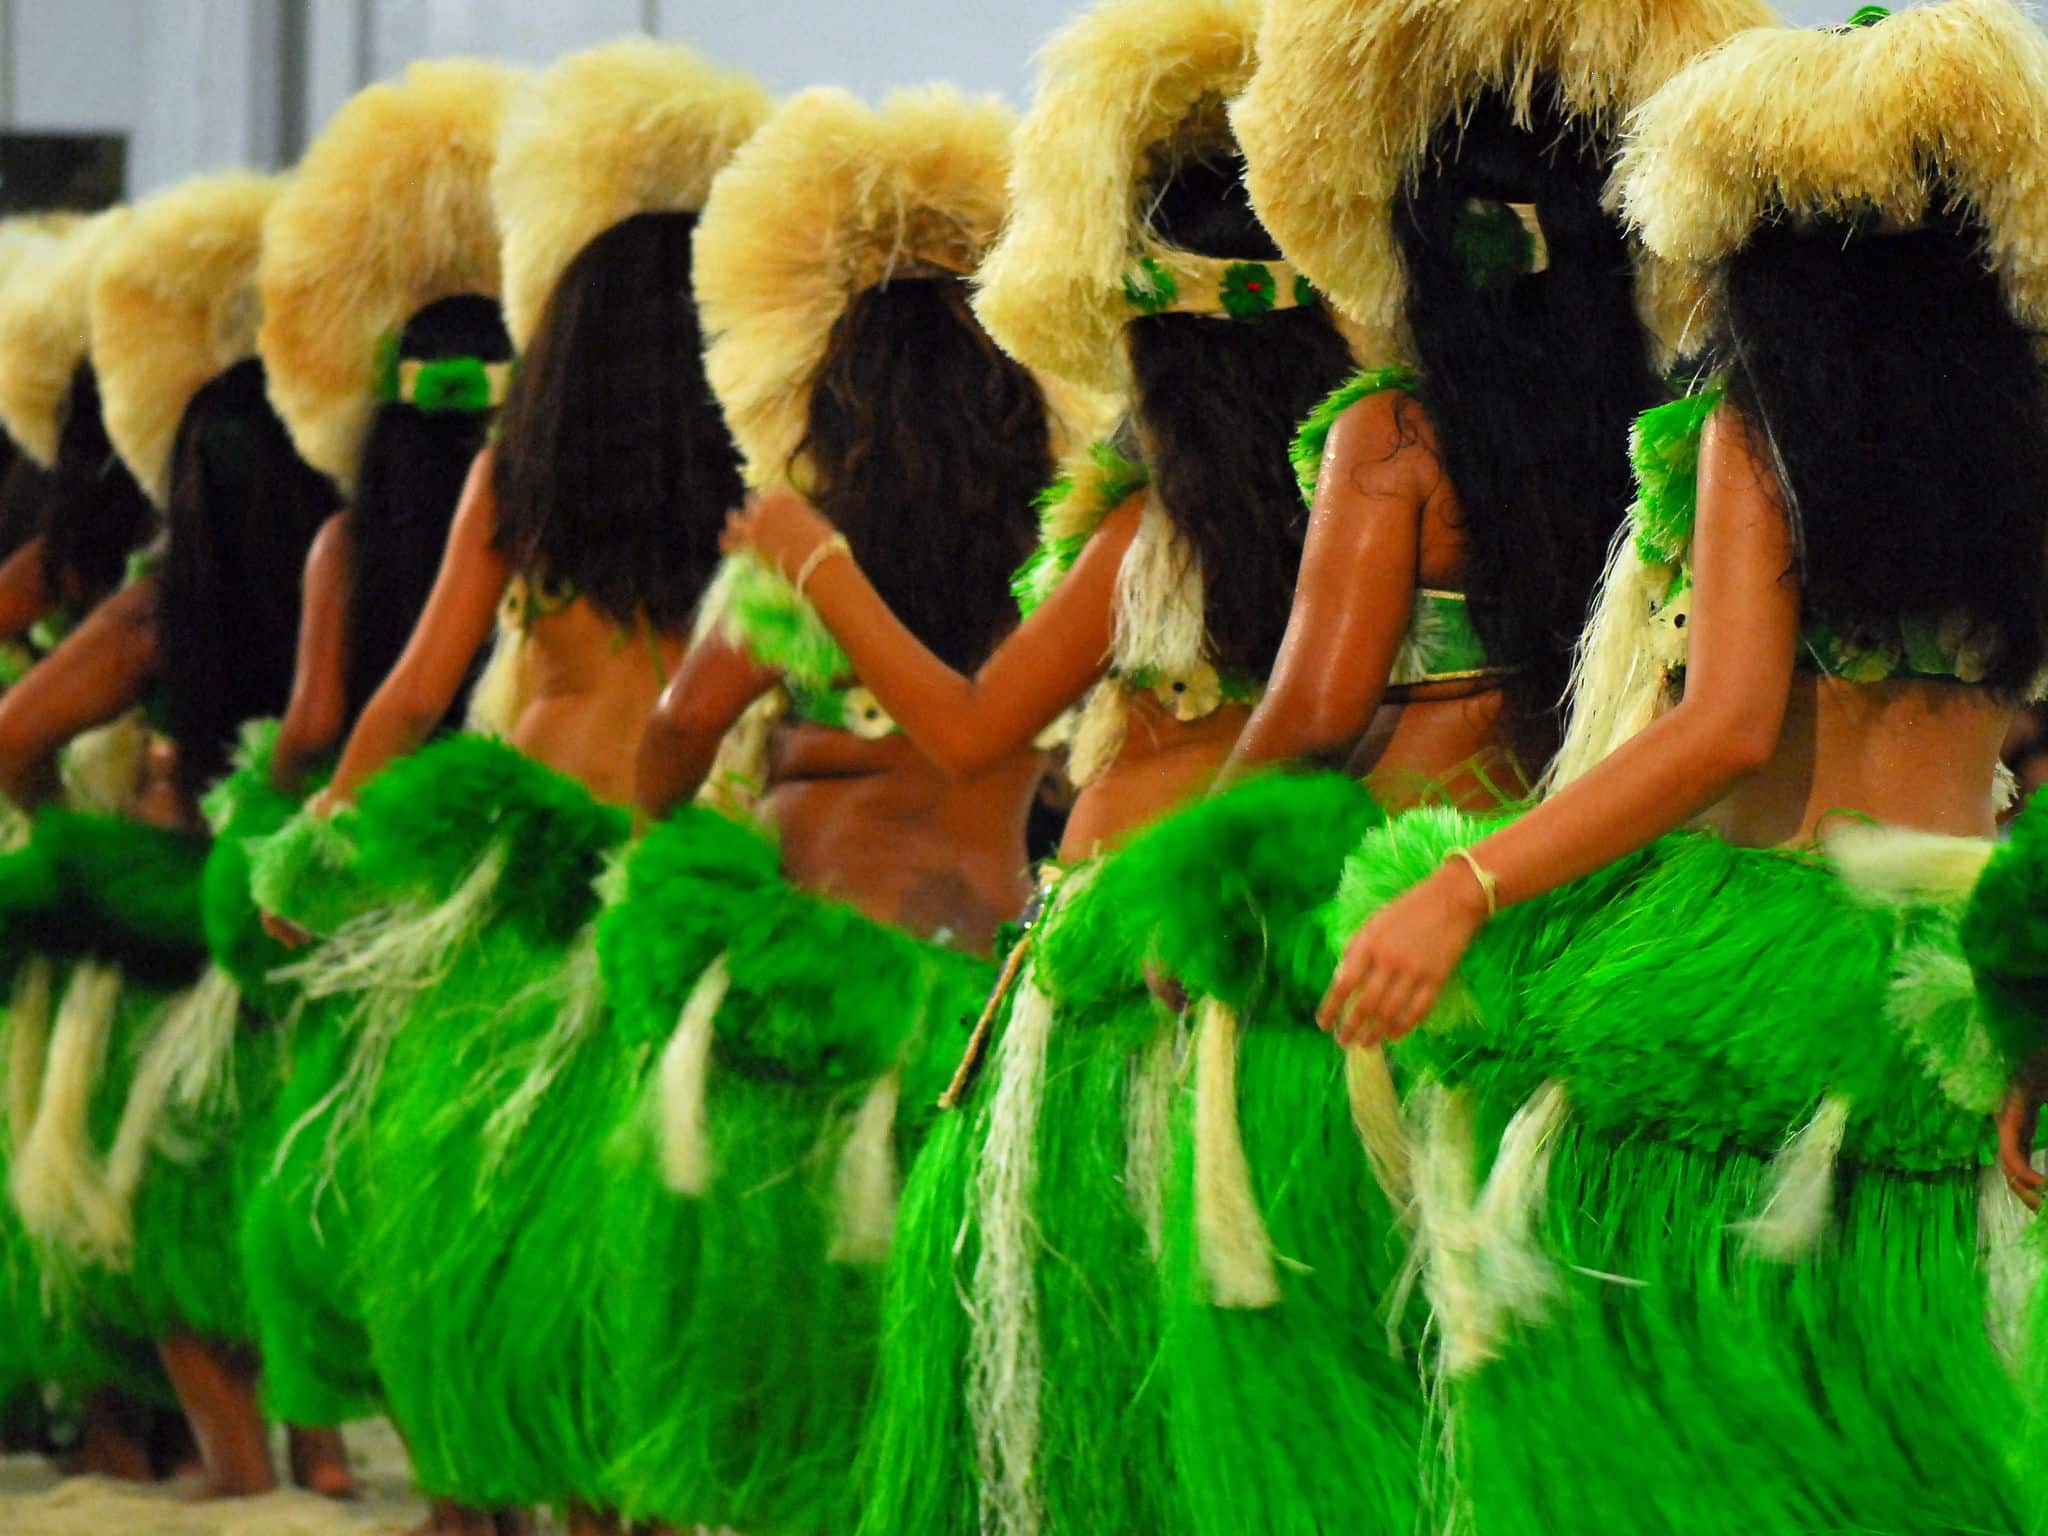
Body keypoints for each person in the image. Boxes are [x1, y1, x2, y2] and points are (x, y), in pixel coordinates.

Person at [1320, 5, 2044, 1529]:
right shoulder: (2022, 444)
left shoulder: (1758, 429)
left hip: (1757, 988)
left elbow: (1717, 726)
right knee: (1914, 1442)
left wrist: (1465, 883)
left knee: (1669, 1445)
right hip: (1951, 987)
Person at [1127, 2, 1770, 1530]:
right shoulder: (1658, 431)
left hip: (1388, 951)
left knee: (1353, 1379)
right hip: (1569, 912)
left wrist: (1188, 890)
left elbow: (1309, 715)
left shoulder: (1392, 439)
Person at [719, 6, 1345, 1531]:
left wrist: (816, 567)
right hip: (1276, 983)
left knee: (1076, 1348)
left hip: (1112, 972)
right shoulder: (1355, 507)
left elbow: (972, 727)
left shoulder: (1141, 541)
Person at [255, 44, 765, 1536]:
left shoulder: (510, 479)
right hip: (677, 884)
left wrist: (313, 855)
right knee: (655, 1252)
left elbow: (414, 697)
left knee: (493, 1236)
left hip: (513, 906)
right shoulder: (754, 486)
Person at [608, 83, 1075, 1535]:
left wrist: (697, 811)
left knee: (787, 1358)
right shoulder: (1054, 557)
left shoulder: (801, 573)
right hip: (987, 1000)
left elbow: (675, 732)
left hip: (816, 1000)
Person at [0, 172, 340, 1499]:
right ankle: (310, 1465)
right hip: (286, 925)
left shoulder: (151, 613)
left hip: (160, 941)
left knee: (158, 1216)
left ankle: (237, 1467)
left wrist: (73, 842)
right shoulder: (347, 575)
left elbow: (12, 732)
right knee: (278, 1201)